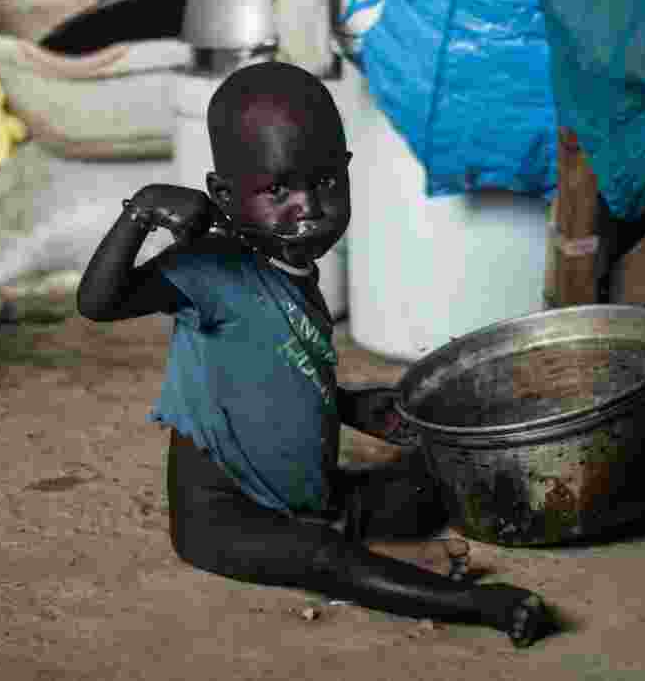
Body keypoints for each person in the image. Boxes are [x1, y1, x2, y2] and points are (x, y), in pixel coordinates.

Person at [77, 61, 549, 647]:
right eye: (278, 190)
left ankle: (400, 528)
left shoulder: (292, 266)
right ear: (224, 195)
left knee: (428, 480)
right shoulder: (205, 270)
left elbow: (274, 371)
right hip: (227, 517)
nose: (308, 206)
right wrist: (141, 211)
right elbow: (98, 303)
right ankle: (481, 604)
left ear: (348, 174)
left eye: (325, 183)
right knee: (328, 558)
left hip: (312, 495)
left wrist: (350, 407)